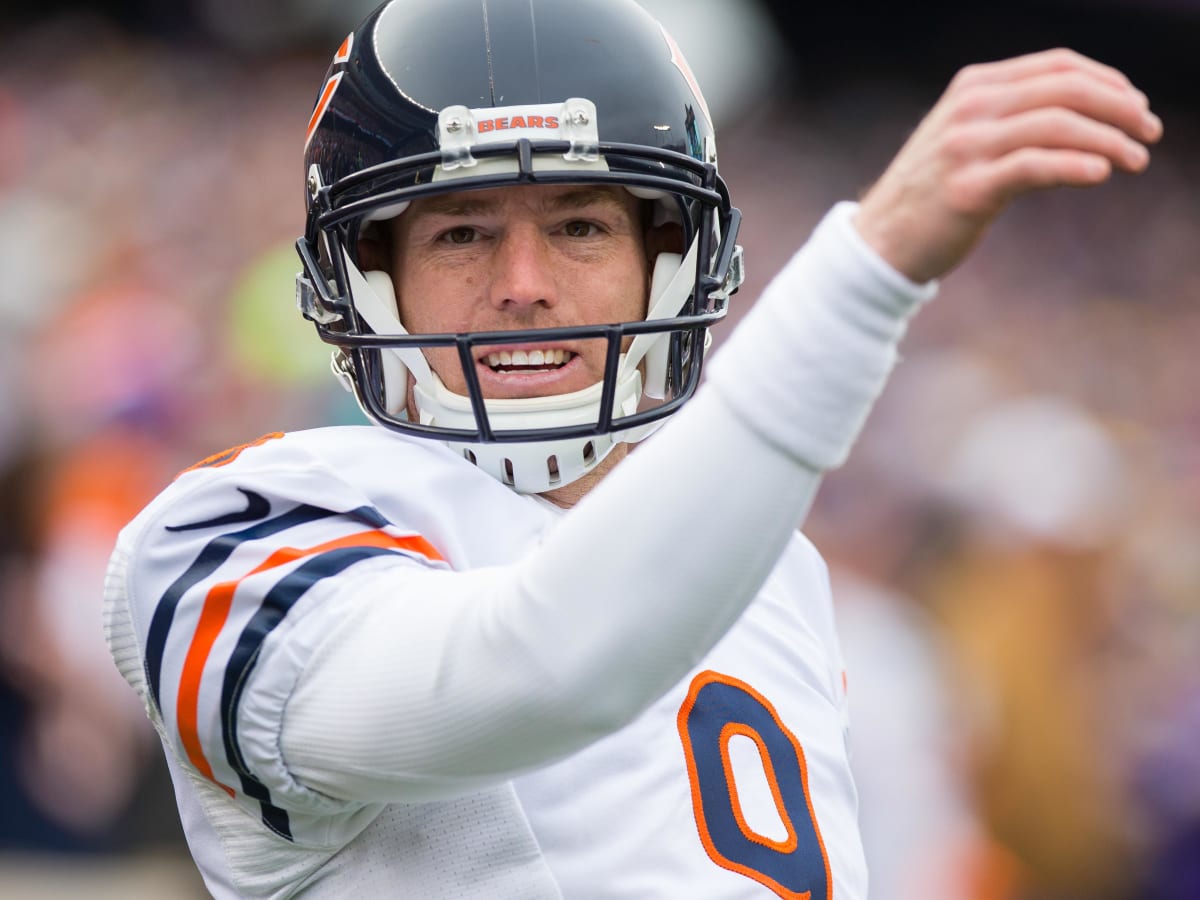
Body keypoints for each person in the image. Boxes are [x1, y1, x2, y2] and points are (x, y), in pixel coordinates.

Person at [102, 0, 1161, 896]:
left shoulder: (772, 569)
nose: (524, 281)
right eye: (461, 231)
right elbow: (537, 670)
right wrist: (866, 273)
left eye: (581, 227)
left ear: (669, 264)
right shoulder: (234, 532)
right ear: (369, 282)